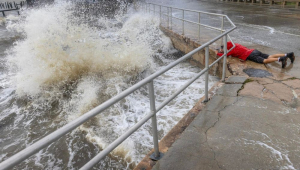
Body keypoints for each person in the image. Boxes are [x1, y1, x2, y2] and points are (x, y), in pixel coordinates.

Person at [215, 42, 295, 68]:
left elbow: (224, 55)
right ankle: (287, 54)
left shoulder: (231, 51)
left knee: (264, 61)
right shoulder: (236, 44)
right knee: (269, 56)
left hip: (250, 55)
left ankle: (280, 59)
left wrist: (217, 52)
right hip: (254, 51)